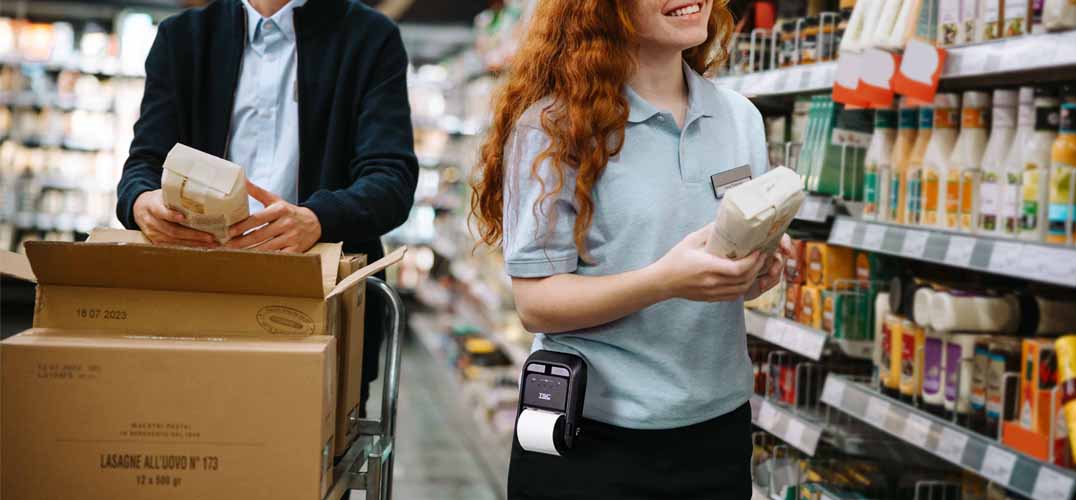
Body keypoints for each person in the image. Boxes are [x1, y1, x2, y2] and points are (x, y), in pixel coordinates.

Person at [470, 0, 795, 498]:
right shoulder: (555, 128)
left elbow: (726, 280)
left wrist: (756, 270)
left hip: (716, 432)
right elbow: (536, 305)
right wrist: (663, 281)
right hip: (592, 436)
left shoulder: (740, 119)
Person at [115, 0, 417, 422]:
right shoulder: (182, 39)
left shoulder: (369, 38)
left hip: (321, 309)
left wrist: (318, 218)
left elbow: (392, 181)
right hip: (197, 301)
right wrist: (141, 202)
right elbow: (142, 166)